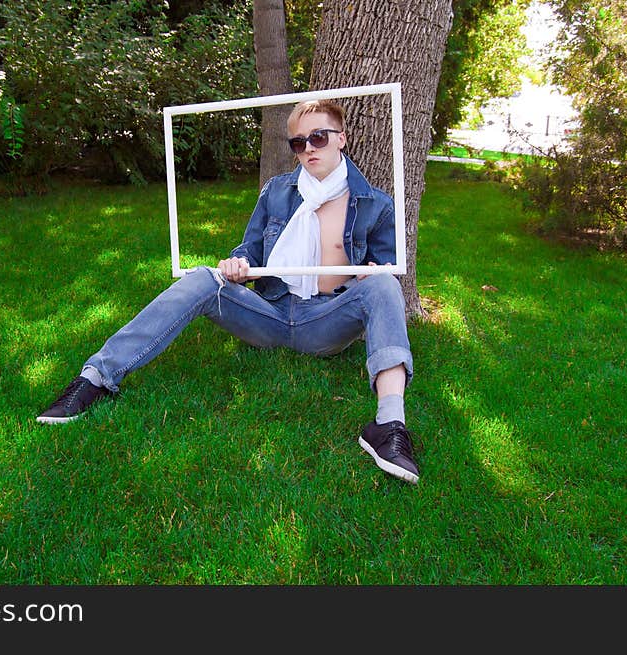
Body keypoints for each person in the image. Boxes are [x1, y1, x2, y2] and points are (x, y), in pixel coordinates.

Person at [37, 99, 420, 484]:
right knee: (204, 277)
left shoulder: (375, 204)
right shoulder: (278, 192)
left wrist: (371, 274)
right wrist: (236, 266)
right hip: (270, 313)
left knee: (385, 284)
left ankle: (388, 425)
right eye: (297, 143)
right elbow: (249, 250)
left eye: (318, 138)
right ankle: (96, 377)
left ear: (342, 139)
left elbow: (384, 269)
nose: (308, 150)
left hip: (325, 320)